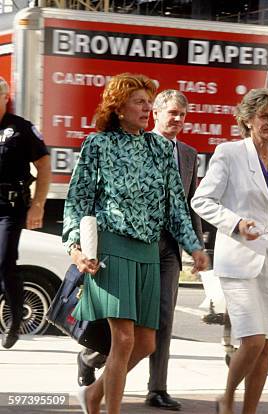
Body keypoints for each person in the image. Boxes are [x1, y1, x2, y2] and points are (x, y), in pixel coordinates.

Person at [63, 73, 207, 414]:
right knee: (124, 339)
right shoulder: (98, 145)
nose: (147, 108)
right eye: (140, 102)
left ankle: (95, 393)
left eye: (148, 102)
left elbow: (176, 206)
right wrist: (75, 248)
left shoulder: (159, 149)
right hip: (111, 250)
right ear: (120, 107)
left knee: (145, 342)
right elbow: (77, 200)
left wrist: (195, 246)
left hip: (148, 253)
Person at [191, 88, 268, 414]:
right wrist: (236, 222)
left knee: (267, 345)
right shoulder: (229, 153)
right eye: (264, 116)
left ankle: (248, 410)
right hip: (238, 259)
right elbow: (202, 200)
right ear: (248, 120)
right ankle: (227, 397)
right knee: (252, 340)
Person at [0, 76, 51, 349]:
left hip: (10, 208)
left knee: (4, 261)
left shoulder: (21, 129)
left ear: (4, 98)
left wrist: (38, 204)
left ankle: (15, 318)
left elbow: (44, 166)